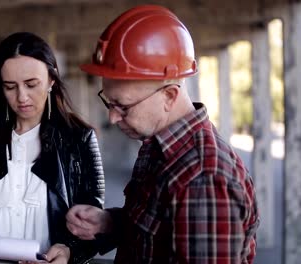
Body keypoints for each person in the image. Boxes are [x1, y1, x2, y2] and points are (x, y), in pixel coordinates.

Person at [66, 5, 259, 264]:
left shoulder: (203, 178)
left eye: (123, 106)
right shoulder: (159, 147)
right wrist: (110, 222)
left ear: (169, 96)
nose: (112, 117)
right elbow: (158, 233)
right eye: (108, 102)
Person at [0, 32, 105, 264]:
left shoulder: (79, 139)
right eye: (10, 87)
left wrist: (69, 250)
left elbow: (93, 225)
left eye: (31, 84)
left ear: (52, 80)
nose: (22, 97)